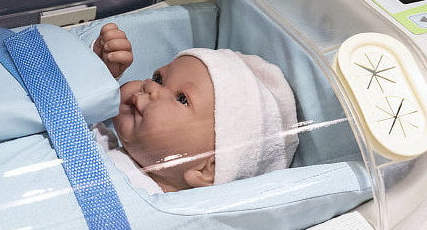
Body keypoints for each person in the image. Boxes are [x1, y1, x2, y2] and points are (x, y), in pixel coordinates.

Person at [91, 23, 299, 193]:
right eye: (158, 78)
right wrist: (97, 73)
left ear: (208, 169)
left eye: (182, 99)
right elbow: (78, 113)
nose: (151, 87)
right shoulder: (98, 141)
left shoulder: (168, 216)